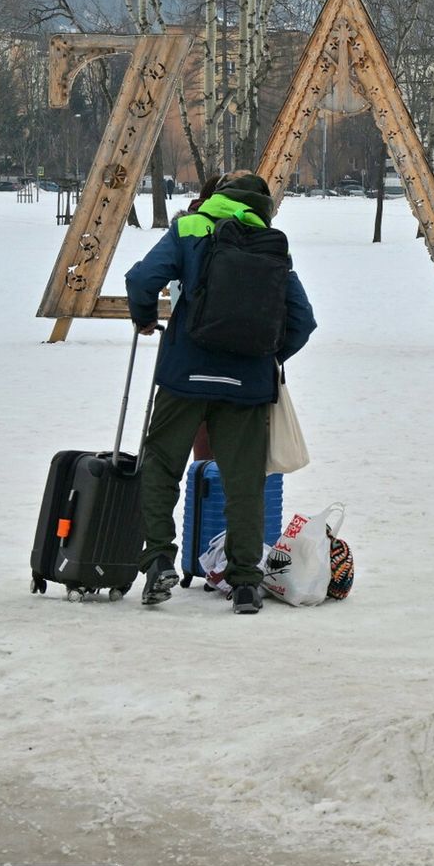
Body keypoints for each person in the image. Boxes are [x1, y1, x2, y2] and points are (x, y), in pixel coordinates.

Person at [124, 171, 316, 614]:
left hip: (185, 375)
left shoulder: (190, 227)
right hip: (246, 384)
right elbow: (302, 320)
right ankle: (246, 582)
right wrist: (267, 355)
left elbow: (142, 279)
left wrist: (145, 317)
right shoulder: (269, 243)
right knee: (245, 481)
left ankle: (157, 561)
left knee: (161, 464)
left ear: (217, 195)